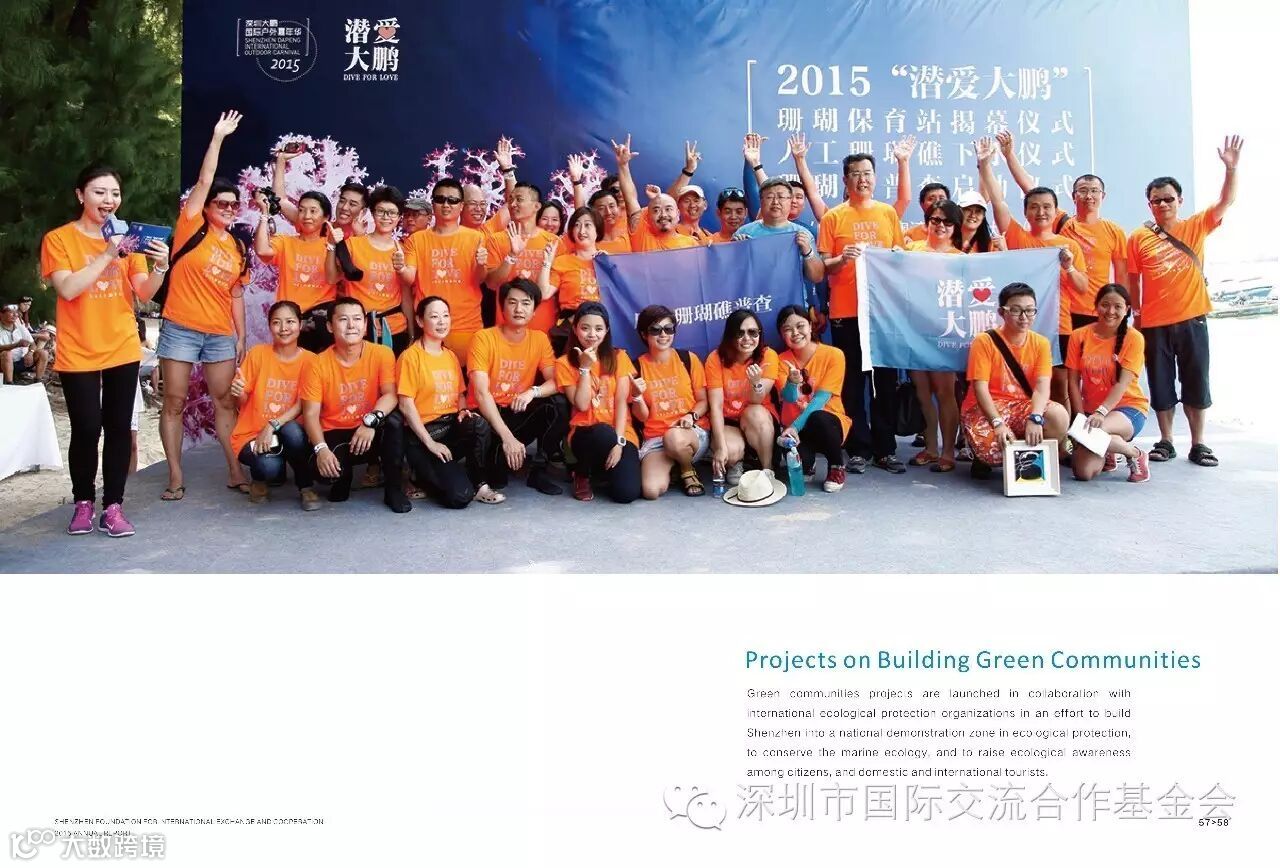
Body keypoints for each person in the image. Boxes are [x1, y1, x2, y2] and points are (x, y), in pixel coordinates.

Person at [40, 162, 170, 535]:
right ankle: (83, 502)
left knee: (118, 428)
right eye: (100, 192)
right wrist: (108, 253)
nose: (109, 200)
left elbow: (143, 293)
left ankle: (113, 506)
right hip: (78, 348)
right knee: (86, 428)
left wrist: (160, 267)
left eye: (114, 193)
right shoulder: (59, 239)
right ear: (81, 195)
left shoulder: (130, 240)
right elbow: (68, 288)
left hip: (122, 347)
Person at [1127, 135, 1243, 468]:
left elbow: (1226, 200)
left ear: (1180, 200)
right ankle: (1166, 440)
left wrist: (1230, 169)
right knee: (1161, 384)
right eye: (1156, 200)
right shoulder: (1138, 237)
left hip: (1193, 318)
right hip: (1154, 324)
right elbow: (1133, 280)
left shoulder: (1196, 226)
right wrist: (1137, 315)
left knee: (1196, 381)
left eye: (1168, 199)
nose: (1163, 205)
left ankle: (1198, 443)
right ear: (1149, 204)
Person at [156, 110, 251, 502]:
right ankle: (175, 476)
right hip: (180, 327)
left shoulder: (238, 246)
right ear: (207, 205)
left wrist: (240, 336)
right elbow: (204, 179)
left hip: (219, 335)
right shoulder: (191, 225)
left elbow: (236, 294)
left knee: (225, 402)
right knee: (174, 401)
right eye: (222, 203)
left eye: (234, 205)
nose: (228, 208)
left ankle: (235, 471)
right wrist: (217, 137)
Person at [975, 135, 1088, 406]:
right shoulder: (1017, 237)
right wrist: (985, 165)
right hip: (1019, 324)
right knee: (1023, 382)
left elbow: (1083, 287)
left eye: (1047, 207)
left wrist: (1070, 267)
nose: (1041, 212)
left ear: (1056, 211)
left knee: (1059, 385)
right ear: (1025, 212)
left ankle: (1062, 431)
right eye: (1034, 207)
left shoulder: (1068, 246)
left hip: (1059, 325)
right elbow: (998, 203)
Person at [816, 151, 905, 474]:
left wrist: (897, 255)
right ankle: (858, 448)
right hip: (846, 312)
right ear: (845, 180)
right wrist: (842, 259)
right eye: (855, 174)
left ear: (875, 177)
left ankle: (886, 449)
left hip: (882, 313)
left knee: (885, 381)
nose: (862, 179)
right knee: (852, 384)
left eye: (867, 173)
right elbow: (821, 267)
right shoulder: (833, 217)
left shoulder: (887, 213)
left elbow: (900, 257)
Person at [299, 296, 409, 511]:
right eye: (343, 320)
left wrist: (370, 421)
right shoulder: (317, 363)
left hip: (369, 430)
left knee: (394, 422)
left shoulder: (382, 353)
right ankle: (343, 477)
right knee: (327, 475)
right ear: (330, 326)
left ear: (366, 324)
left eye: (357, 319)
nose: (351, 325)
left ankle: (393, 490)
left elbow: (391, 395)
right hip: (335, 432)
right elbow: (310, 414)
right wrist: (321, 449)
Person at [998, 130, 1127, 309]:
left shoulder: (1114, 231)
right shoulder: (1063, 222)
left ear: (1102, 196)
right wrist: (1009, 155)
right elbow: (1030, 189)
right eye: (1083, 191)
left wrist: (1124, 308)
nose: (1089, 196)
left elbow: (1121, 275)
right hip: (1064, 308)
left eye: (1094, 191)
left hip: (1098, 310)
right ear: (1074, 196)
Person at [397, 296, 503, 507]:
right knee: (459, 497)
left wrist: (463, 410)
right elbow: (405, 406)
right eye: (434, 316)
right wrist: (431, 443)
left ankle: (479, 484)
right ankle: (417, 474)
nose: (441, 321)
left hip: (450, 429)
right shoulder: (410, 357)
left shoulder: (450, 356)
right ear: (420, 321)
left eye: (445, 316)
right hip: (423, 437)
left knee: (478, 424)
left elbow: (460, 394)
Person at [467, 278, 569, 496]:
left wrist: (532, 391)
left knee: (557, 404)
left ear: (534, 310)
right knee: (498, 480)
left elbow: (557, 382)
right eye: (512, 302)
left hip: (517, 410)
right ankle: (502, 455)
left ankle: (538, 470)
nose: (519, 309)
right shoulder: (483, 338)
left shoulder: (539, 339)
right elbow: (481, 394)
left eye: (526, 303)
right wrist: (508, 438)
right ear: (502, 307)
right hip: (489, 415)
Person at [960, 282, 1070, 478]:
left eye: (1030, 310)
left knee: (1058, 415)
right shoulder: (984, 341)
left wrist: (1036, 417)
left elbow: (1042, 387)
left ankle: (1028, 454)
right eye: (1016, 310)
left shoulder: (1041, 343)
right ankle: (981, 455)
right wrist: (997, 423)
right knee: (991, 451)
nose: (1024, 317)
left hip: (1022, 406)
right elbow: (980, 388)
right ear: (1002, 312)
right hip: (986, 408)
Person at [229, 300, 320, 508]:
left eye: (290, 322)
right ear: (269, 326)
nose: (284, 328)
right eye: (277, 322)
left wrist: (271, 425)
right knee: (269, 467)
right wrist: (238, 392)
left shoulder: (312, 361)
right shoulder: (257, 354)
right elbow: (241, 402)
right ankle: (260, 480)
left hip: (292, 432)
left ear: (300, 324)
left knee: (292, 432)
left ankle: (306, 487)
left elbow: (304, 403)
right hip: (252, 434)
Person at [555, 302, 642, 503]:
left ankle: (603, 472)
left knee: (626, 494)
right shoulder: (564, 363)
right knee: (602, 432)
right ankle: (582, 472)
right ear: (575, 329)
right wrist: (584, 369)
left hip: (620, 432)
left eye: (598, 329)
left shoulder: (619, 357)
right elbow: (582, 405)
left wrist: (619, 442)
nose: (592, 334)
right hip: (585, 433)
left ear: (607, 330)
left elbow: (621, 402)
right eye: (585, 328)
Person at [1065, 284, 1151, 483]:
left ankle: (1135, 453)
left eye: (1117, 306)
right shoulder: (1079, 336)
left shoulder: (1134, 338)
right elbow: (1073, 382)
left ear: (1126, 309)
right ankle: (1110, 449)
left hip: (1128, 409)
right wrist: (1080, 416)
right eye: (1105, 305)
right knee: (1083, 473)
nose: (1110, 311)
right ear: (1096, 306)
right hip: (1092, 413)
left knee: (1095, 431)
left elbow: (1122, 384)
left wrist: (1101, 412)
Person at [396, 177, 489, 359]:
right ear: (433, 204)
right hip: (429, 326)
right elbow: (409, 277)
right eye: (440, 199)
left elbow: (479, 280)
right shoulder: (416, 240)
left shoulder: (476, 238)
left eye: (452, 200)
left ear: (461, 206)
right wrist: (400, 269)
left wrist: (481, 264)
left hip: (467, 326)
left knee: (468, 376)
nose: (446, 205)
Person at [904, 200, 964, 471]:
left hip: (945, 330)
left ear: (956, 227)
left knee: (945, 391)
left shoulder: (961, 259)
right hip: (915, 329)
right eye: (935, 220)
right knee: (922, 391)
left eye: (948, 222)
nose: (940, 226)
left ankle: (948, 451)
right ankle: (930, 448)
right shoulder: (911, 249)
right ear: (927, 221)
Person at [632, 305, 711, 498]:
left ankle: (686, 471)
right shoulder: (636, 367)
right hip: (656, 439)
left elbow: (703, 401)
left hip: (689, 433)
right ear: (644, 334)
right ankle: (675, 465)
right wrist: (637, 396)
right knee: (651, 491)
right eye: (655, 330)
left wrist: (691, 416)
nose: (663, 335)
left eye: (668, 329)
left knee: (674, 437)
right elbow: (640, 417)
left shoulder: (688, 359)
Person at [774, 306, 851, 492]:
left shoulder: (834, 355)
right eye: (787, 329)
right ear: (782, 335)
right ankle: (808, 464)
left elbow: (820, 400)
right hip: (796, 430)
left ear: (810, 326)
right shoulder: (780, 360)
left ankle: (836, 466)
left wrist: (795, 427)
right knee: (801, 471)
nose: (795, 333)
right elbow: (789, 398)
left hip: (827, 422)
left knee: (818, 417)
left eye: (800, 326)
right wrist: (792, 383)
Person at [330, 185, 413, 355]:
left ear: (399, 217)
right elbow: (332, 278)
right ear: (373, 213)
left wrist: (412, 334)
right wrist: (331, 246)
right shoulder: (353, 245)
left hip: (395, 330)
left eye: (392, 213)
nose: (386, 217)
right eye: (380, 211)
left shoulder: (404, 250)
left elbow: (406, 295)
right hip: (358, 330)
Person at [253, 188, 337, 353]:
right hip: (290, 321)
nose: (306, 216)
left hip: (321, 323)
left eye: (313, 211)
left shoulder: (333, 245)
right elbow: (262, 250)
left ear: (326, 217)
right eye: (301, 210)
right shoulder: (285, 242)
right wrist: (264, 214)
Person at [705, 309, 780, 485]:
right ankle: (737, 461)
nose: (747, 338)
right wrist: (720, 448)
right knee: (729, 452)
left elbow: (757, 400)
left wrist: (756, 382)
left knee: (755, 412)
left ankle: (767, 469)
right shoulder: (715, 359)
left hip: (757, 416)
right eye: (740, 333)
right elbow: (716, 406)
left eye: (753, 332)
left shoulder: (768, 355)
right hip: (728, 420)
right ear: (730, 335)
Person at [485, 182, 561, 332]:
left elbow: (546, 292)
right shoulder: (496, 240)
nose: (513, 204)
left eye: (519, 199)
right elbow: (492, 284)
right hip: (506, 330)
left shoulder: (554, 242)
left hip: (544, 330)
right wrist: (511, 256)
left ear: (536, 206)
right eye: (510, 199)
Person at [609, 134, 700, 253]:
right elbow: (630, 198)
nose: (663, 215)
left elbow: (668, 199)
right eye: (656, 210)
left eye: (668, 209)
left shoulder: (691, 245)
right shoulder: (641, 233)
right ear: (648, 217)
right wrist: (623, 165)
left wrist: (689, 170)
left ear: (678, 214)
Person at [732, 178, 825, 284]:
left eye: (781, 197)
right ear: (761, 201)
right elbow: (730, 275)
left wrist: (808, 252)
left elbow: (817, 277)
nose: (775, 202)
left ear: (790, 201)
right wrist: (735, 250)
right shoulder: (744, 232)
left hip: (791, 294)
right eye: (770, 197)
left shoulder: (803, 234)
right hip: (755, 294)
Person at [540, 207, 605, 355]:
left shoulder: (607, 261)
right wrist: (547, 263)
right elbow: (544, 293)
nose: (582, 230)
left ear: (598, 230)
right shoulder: (562, 261)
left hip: (599, 329)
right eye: (577, 225)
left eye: (587, 225)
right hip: (569, 328)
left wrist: (610, 266)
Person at [1, 304, 48, 383]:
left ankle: (38, 381)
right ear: (1, 314)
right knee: (7, 354)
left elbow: (33, 344)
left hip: (23, 361)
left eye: (16, 312)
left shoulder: (20, 327)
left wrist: (30, 353)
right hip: (4, 363)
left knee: (43, 353)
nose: (15, 315)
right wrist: (16, 345)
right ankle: (9, 383)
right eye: (11, 312)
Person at [588, 187, 632, 254]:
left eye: (611, 206)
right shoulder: (589, 241)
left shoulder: (630, 234)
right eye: (601, 208)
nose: (608, 212)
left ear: (618, 208)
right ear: (592, 213)